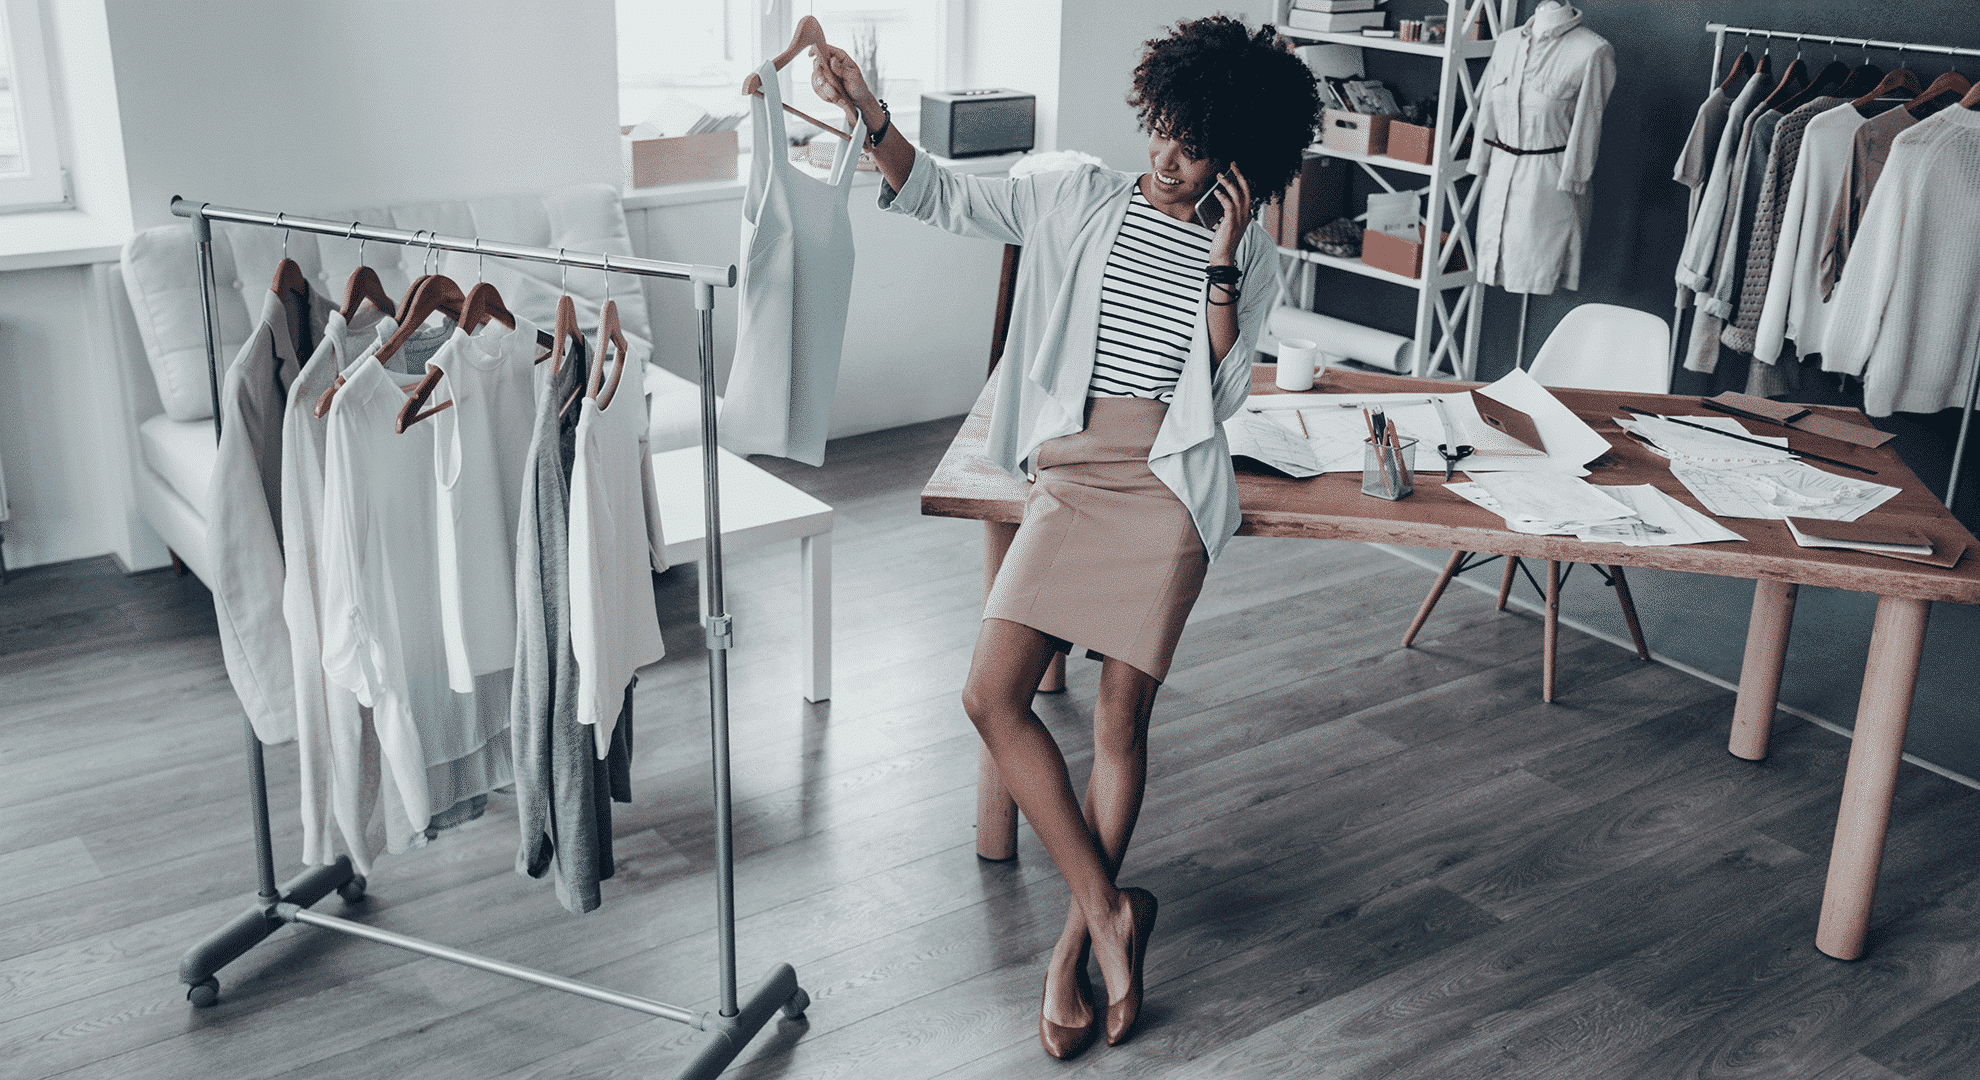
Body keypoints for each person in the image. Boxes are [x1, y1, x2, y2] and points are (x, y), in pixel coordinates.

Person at [811, 15, 1320, 1060]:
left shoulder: (1254, 257)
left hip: (1167, 485)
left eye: (1195, 146)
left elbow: (1219, 398)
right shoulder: (1078, 192)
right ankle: (1110, 909)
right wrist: (872, 119)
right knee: (990, 696)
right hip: (1074, 468)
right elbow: (945, 192)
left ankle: (1068, 958)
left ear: (1240, 160)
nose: (1168, 157)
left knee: (1122, 719)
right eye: (1163, 131)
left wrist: (1222, 267)